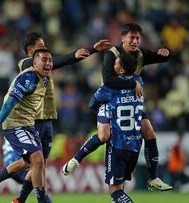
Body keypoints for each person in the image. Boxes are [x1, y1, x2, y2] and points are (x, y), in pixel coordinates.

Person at [0, 32, 110, 203]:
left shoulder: (44, 67)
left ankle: (13, 195)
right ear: (30, 52)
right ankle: (38, 199)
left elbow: (54, 62)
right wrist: (78, 54)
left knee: (36, 163)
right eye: (40, 48)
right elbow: (56, 61)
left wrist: (90, 51)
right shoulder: (27, 65)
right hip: (32, 121)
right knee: (36, 162)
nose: (45, 52)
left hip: (47, 120)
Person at [62, 23, 173, 191]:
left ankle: (154, 177)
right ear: (123, 38)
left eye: (138, 38)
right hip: (108, 100)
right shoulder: (112, 55)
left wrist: (166, 53)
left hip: (129, 103)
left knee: (149, 132)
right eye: (132, 37)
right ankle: (76, 159)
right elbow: (108, 81)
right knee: (104, 135)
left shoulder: (140, 55)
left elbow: (160, 56)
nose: (135, 41)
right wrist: (132, 83)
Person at [0, 48, 53, 203]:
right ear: (34, 63)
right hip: (15, 125)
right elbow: (8, 104)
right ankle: (41, 200)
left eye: (50, 60)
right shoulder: (28, 78)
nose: (48, 63)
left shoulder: (44, 78)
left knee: (31, 163)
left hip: (28, 124)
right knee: (37, 159)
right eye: (44, 60)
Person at [94, 53, 143, 203]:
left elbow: (92, 103)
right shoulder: (139, 81)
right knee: (120, 188)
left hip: (117, 143)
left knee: (115, 191)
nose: (112, 66)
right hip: (135, 144)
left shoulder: (109, 87)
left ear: (121, 69)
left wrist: (105, 105)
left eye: (115, 63)